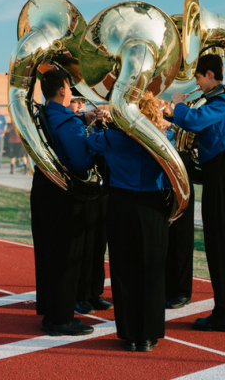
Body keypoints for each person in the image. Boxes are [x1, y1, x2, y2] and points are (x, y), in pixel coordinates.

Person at [87, 91, 170, 352]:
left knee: (124, 269)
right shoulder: (163, 138)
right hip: (152, 205)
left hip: (121, 202)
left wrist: (107, 121)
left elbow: (90, 142)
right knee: (152, 270)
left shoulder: (111, 137)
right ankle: (148, 335)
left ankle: (129, 333)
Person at [171, 53, 225, 332]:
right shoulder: (220, 100)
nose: (198, 84)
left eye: (199, 78)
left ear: (210, 75)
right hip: (219, 175)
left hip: (223, 176)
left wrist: (178, 105)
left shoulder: (223, 101)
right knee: (217, 243)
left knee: (221, 245)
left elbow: (193, 121)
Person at [31, 70, 103, 337]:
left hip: (43, 191)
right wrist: (96, 142)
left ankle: (51, 314)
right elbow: (82, 162)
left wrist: (85, 117)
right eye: (70, 88)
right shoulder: (69, 124)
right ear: (62, 90)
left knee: (49, 255)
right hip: (64, 198)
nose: (72, 92)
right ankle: (61, 319)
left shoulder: (43, 114)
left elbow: (62, 127)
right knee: (67, 258)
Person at [68, 94, 113, 314]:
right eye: (75, 102)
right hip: (81, 192)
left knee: (98, 245)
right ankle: (80, 295)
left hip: (100, 191)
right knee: (83, 247)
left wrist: (106, 123)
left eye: (83, 103)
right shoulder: (72, 124)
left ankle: (95, 293)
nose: (81, 106)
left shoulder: (95, 126)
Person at [160, 100, 195, 310]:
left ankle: (182, 291)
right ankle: (166, 287)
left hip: (181, 186)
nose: (162, 103)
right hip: (160, 187)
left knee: (181, 239)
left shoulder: (180, 123)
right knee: (163, 240)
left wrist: (170, 123)